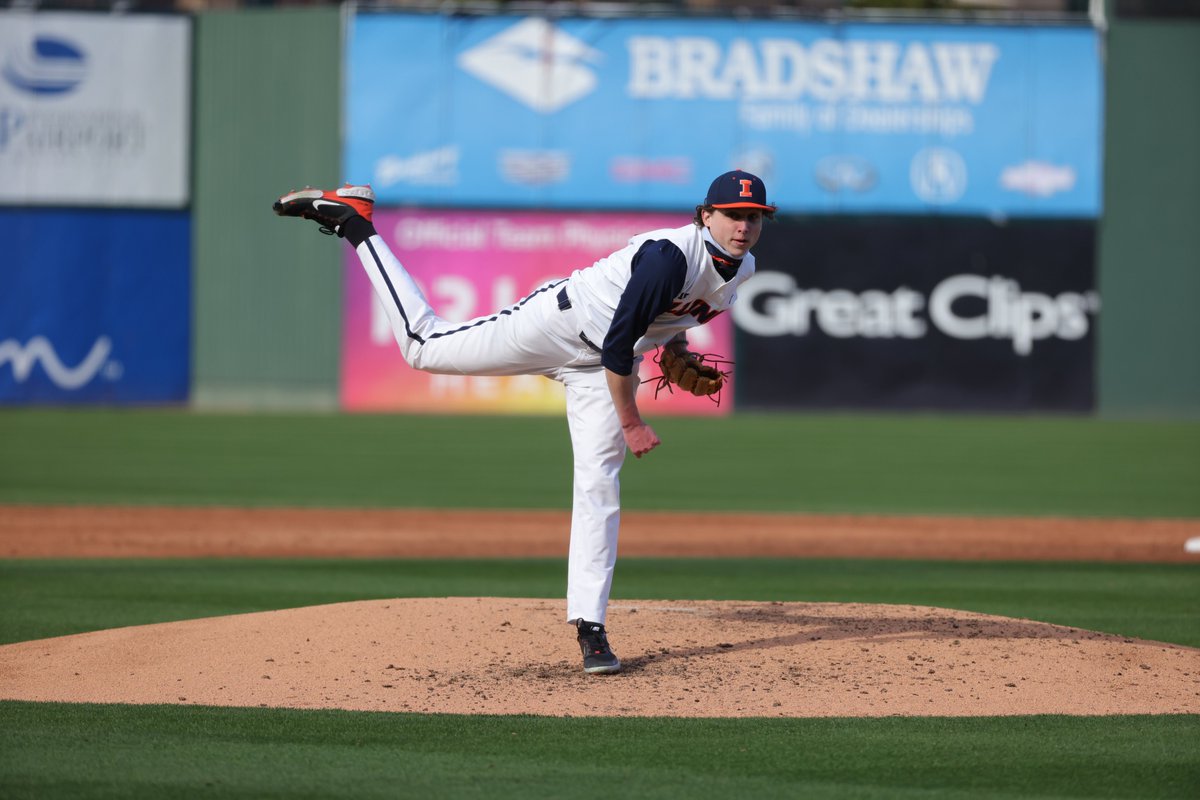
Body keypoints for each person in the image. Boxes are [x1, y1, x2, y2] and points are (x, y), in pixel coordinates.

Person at [274, 170, 775, 674]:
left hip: (596, 368)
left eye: (753, 217)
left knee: (599, 483)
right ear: (705, 214)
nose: (743, 225)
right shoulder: (669, 255)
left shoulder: (743, 267)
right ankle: (355, 224)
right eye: (733, 214)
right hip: (555, 328)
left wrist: (677, 345)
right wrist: (631, 422)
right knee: (422, 347)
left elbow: (670, 317)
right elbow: (620, 345)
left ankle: (590, 627)